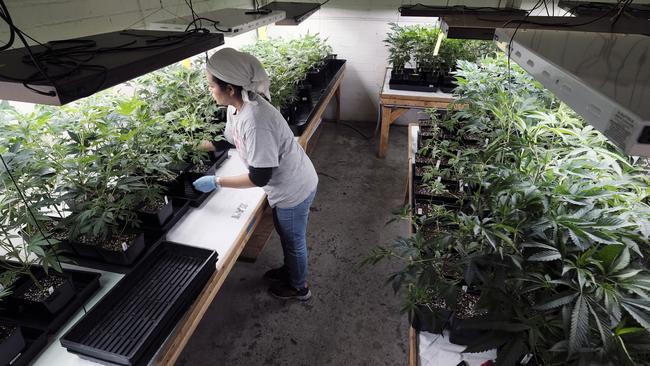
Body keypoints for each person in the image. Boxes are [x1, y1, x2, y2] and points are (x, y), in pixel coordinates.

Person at [192, 48, 318, 301]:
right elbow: (233, 139)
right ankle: (291, 270)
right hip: (287, 183)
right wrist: (200, 145)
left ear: (229, 88)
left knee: (293, 239)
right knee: (285, 232)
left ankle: (299, 287)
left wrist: (217, 181)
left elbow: (259, 177)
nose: (209, 90)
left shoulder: (256, 119)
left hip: (293, 188)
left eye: (211, 85)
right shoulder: (237, 107)